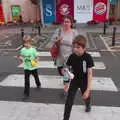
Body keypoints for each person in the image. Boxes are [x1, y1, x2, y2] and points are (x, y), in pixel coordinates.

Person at [63, 35, 94, 120]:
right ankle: (65, 118)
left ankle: (88, 105)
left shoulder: (88, 57)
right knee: (69, 101)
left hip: (84, 80)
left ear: (84, 48)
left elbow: (90, 74)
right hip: (75, 80)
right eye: (74, 47)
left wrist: (88, 90)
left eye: (78, 47)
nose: (75, 49)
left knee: (86, 96)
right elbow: (67, 70)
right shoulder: (72, 56)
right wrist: (66, 83)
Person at [51, 15, 78, 94]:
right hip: (59, 56)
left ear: (71, 23)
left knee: (66, 72)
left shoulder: (74, 32)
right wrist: (57, 40)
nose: (66, 23)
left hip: (69, 56)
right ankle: (68, 79)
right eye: (64, 22)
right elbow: (52, 39)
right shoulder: (58, 30)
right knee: (60, 71)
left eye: (68, 22)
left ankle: (66, 88)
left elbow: (77, 43)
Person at [19, 35, 41, 100]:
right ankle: (26, 93)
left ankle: (38, 83)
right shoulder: (22, 50)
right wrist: (20, 58)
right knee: (26, 80)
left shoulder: (33, 49)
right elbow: (22, 56)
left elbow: (37, 57)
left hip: (33, 67)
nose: (26, 44)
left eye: (28, 42)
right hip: (26, 67)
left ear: (30, 42)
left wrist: (35, 61)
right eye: (25, 43)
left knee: (36, 76)